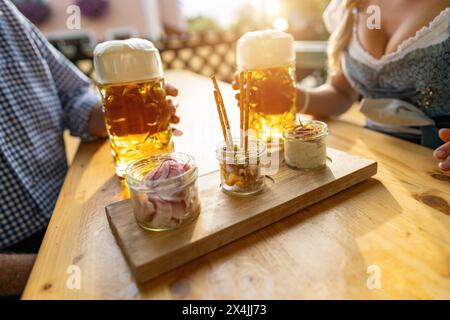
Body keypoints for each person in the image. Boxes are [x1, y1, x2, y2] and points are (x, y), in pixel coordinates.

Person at [0, 0, 179, 297]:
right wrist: (55, 269)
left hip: (73, 215)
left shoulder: (6, 13)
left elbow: (73, 96)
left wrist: (127, 109)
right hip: (16, 267)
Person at [234, 0, 450, 170]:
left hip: (436, 167)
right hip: (373, 159)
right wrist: (292, 98)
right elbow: (341, 92)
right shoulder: (352, 5)